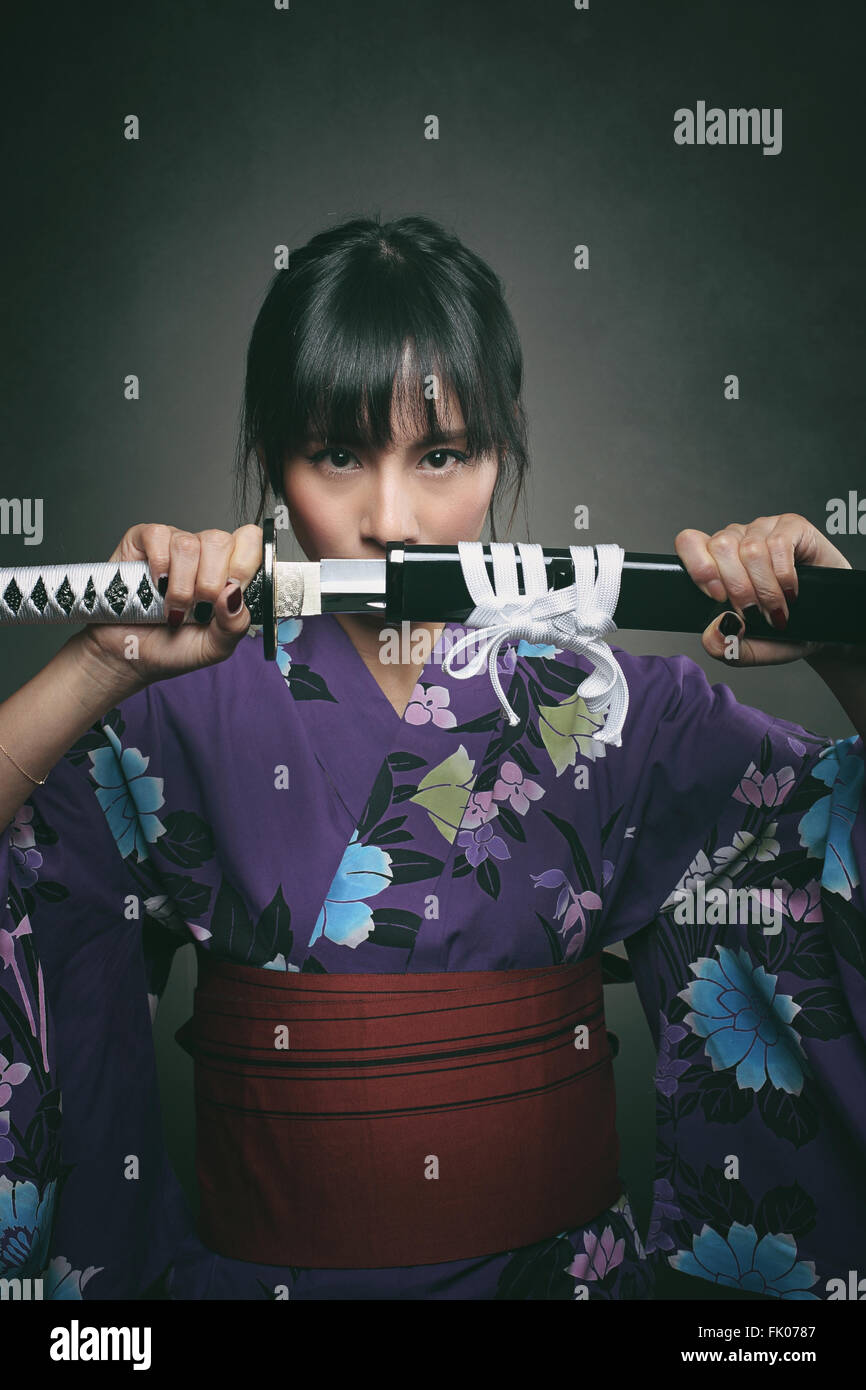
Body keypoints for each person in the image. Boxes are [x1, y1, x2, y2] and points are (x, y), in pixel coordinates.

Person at [1, 215, 864, 1302]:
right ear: (273, 458)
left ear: (502, 452)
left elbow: (838, 861)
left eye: (442, 454)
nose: (390, 517)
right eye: (336, 454)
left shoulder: (613, 707)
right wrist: (101, 663)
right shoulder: (176, 707)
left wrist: (842, 644)